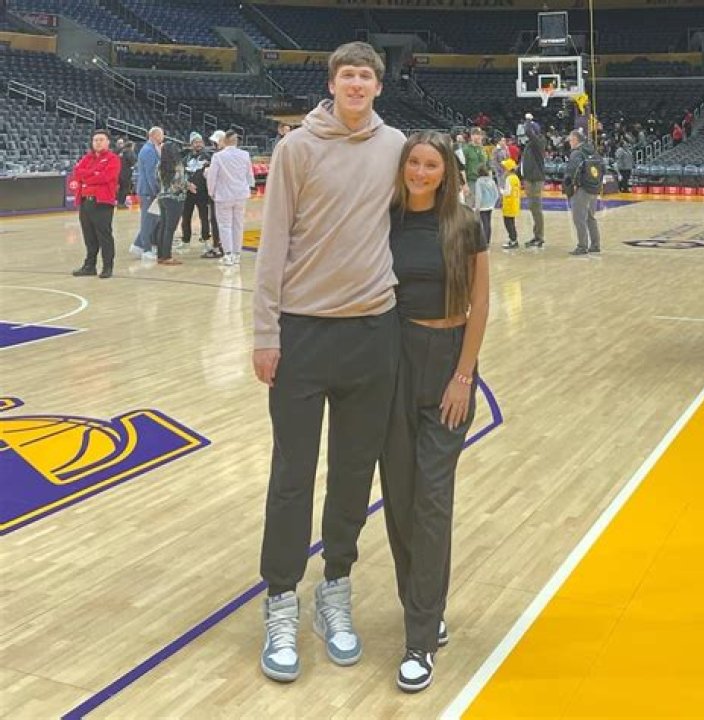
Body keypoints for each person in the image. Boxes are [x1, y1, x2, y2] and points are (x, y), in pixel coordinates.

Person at [252, 41, 405, 684]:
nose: (357, 84)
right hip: (303, 331)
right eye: (348, 75)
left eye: (366, 76)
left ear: (378, 86)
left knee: (352, 474)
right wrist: (265, 332)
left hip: (372, 330)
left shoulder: (396, 147)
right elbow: (273, 242)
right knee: (292, 473)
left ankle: (334, 588)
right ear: (333, 83)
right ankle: (281, 597)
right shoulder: (296, 148)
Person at [380, 131, 489, 693]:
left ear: (447, 172)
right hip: (394, 361)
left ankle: (419, 640)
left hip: (448, 362)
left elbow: (480, 303)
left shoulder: (465, 224)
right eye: (414, 163)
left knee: (431, 501)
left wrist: (464, 375)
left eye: (431, 165)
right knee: (400, 499)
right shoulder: (385, 221)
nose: (421, 172)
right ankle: (424, 606)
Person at [70, 129, 121, 279]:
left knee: (104, 235)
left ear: (108, 142)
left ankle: (107, 266)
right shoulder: (87, 158)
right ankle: (89, 266)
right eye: (95, 140)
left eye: (101, 140)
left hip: (102, 203)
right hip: (85, 202)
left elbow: (106, 177)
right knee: (89, 236)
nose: (98, 143)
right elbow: (77, 173)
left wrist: (88, 176)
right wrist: (94, 174)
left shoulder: (113, 159)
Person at [206, 129, 255, 266]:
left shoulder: (218, 156)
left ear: (225, 141)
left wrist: (211, 192)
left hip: (224, 196)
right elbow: (249, 175)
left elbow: (212, 176)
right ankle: (237, 254)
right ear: (236, 141)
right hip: (240, 195)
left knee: (225, 225)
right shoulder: (245, 155)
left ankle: (228, 255)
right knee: (238, 225)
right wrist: (250, 186)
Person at [563, 129, 602, 255]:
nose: (569, 142)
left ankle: (582, 246)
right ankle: (595, 244)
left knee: (579, 218)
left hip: (582, 189)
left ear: (575, 140)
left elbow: (572, 171)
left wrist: (572, 185)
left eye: (570, 140)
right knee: (591, 217)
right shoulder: (594, 152)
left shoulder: (576, 153)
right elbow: (603, 169)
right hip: (594, 189)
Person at [130, 126, 164, 258]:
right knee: (148, 220)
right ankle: (146, 249)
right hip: (148, 191)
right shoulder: (148, 151)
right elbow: (151, 173)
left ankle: (138, 245)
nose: (163, 138)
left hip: (148, 190)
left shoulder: (151, 149)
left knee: (153, 219)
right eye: (161, 135)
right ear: (155, 136)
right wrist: (156, 190)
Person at [156, 142, 190, 266]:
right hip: (175, 199)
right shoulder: (178, 165)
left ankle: (160, 255)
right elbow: (180, 183)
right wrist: (188, 186)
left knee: (163, 227)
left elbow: (157, 180)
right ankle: (167, 256)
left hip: (162, 197)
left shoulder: (159, 165)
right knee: (170, 229)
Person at [180, 132, 211, 246]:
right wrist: (186, 185)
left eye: (200, 142)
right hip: (188, 192)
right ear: (191, 144)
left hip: (203, 192)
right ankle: (185, 240)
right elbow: (181, 174)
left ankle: (205, 239)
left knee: (204, 217)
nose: (198, 144)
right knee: (186, 217)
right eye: (196, 142)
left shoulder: (208, 157)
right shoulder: (185, 158)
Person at [520, 114, 546, 248]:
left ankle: (539, 237)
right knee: (533, 208)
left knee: (536, 208)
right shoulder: (530, 145)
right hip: (529, 179)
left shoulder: (539, 142)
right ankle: (537, 236)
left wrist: (528, 120)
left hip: (535, 180)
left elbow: (528, 131)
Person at [201, 129, 226, 259]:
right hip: (231, 194)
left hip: (218, 194)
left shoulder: (218, 156)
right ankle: (226, 247)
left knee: (216, 221)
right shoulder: (236, 154)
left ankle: (217, 247)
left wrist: (207, 170)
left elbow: (211, 176)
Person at [463, 127, 488, 211]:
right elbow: (462, 168)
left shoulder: (482, 149)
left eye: (480, 135)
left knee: (482, 207)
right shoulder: (466, 149)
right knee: (469, 207)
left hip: (483, 181)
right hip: (471, 181)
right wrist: (464, 184)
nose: (479, 136)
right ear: (472, 136)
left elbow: (486, 165)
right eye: (476, 134)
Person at [474, 166, 499, 245]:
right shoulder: (491, 181)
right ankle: (487, 240)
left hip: (482, 206)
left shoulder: (479, 181)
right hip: (490, 205)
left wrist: (477, 207)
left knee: (484, 223)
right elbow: (496, 194)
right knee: (488, 223)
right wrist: (493, 203)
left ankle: (484, 241)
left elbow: (479, 195)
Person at [500, 158, 521, 250]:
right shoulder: (516, 178)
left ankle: (513, 240)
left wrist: (501, 191)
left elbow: (507, 192)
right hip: (515, 203)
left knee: (508, 223)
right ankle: (513, 239)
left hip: (509, 204)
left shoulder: (509, 179)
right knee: (512, 223)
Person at [116, 140, 136, 208]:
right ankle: (121, 203)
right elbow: (133, 161)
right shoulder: (130, 152)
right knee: (125, 188)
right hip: (126, 174)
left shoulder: (121, 152)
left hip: (119, 173)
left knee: (121, 188)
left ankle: (119, 202)